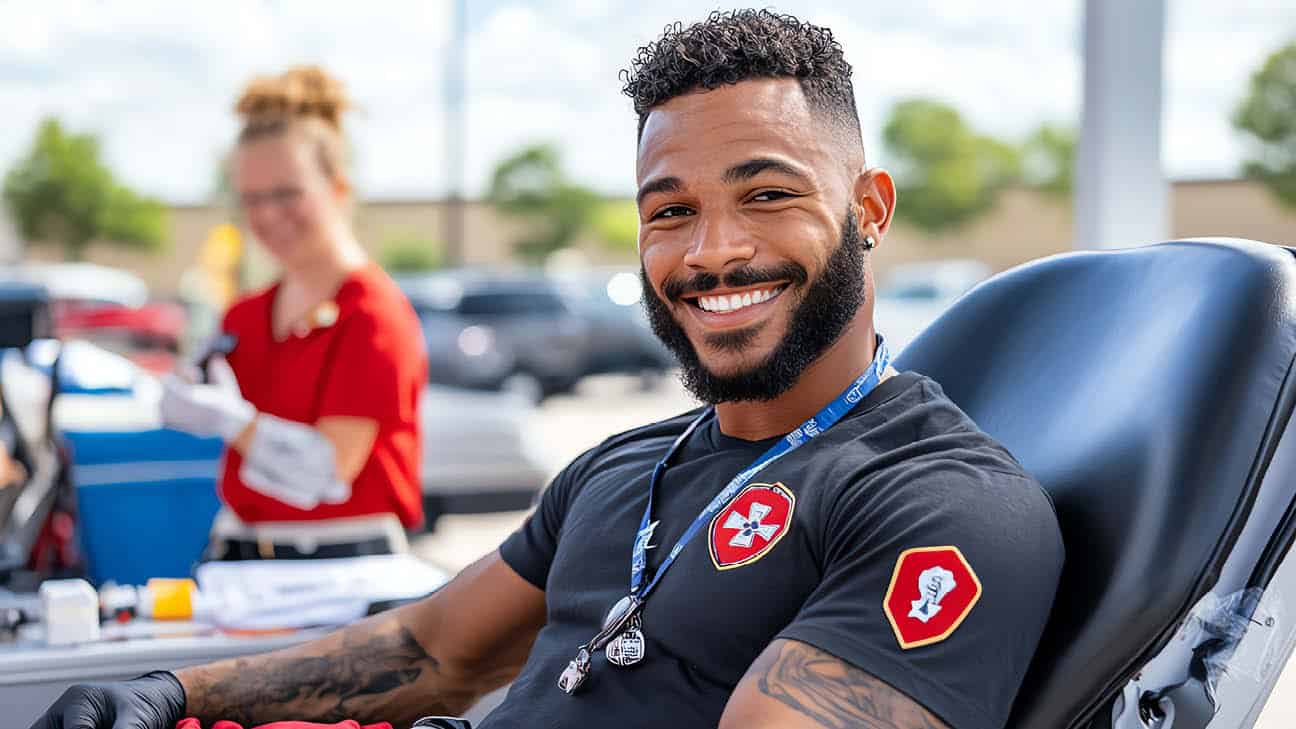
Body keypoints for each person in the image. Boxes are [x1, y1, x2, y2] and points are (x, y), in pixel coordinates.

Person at [31, 12, 1062, 729]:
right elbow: (434, 653)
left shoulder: (940, 503)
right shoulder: (620, 468)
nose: (708, 252)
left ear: (869, 209)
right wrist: (177, 694)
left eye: (765, 194)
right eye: (670, 211)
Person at [158, 66, 428, 560]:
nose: (266, 215)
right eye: (251, 199)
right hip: (240, 554)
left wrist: (232, 421)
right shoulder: (244, 315)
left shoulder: (372, 315)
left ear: (337, 188)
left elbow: (328, 473)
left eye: (286, 193)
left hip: (346, 565)